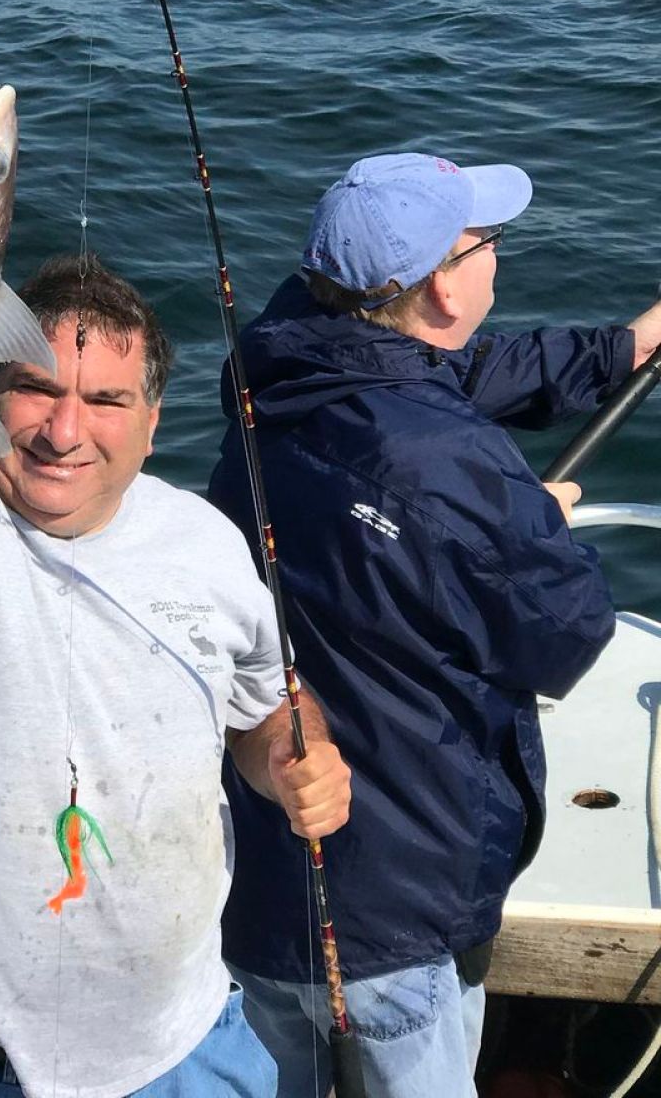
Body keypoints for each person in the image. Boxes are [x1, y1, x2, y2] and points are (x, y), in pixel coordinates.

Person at [0, 216, 351, 1098]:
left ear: (151, 422)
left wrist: (301, 754)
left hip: (176, 1043)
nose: (65, 431)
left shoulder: (206, 543)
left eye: (106, 401)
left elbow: (266, 704)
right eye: (34, 389)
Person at [207, 151, 661, 1098]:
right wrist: (540, 521)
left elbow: (461, 373)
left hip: (254, 882)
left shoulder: (280, 356)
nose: (500, 256)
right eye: (486, 243)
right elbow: (568, 633)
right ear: (444, 288)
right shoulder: (451, 467)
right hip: (397, 906)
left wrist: (627, 348)